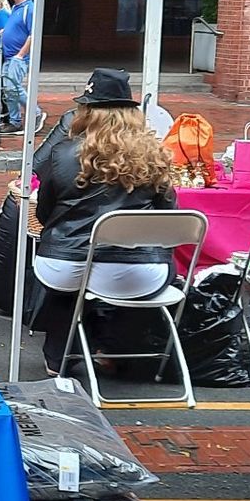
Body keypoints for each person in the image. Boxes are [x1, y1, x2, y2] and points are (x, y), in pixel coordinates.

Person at [28, 69, 177, 374]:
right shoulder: (156, 156)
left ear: (86, 113)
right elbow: (167, 215)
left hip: (65, 262)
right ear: (132, 115)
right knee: (137, 269)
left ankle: (59, 356)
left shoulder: (62, 154)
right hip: (137, 269)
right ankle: (112, 347)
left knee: (70, 284)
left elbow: (44, 215)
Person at [0, 0, 36, 132]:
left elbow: (33, 34)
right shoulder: (16, 8)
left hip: (18, 57)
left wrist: (21, 55)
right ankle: (14, 121)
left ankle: (35, 113)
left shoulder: (29, 9)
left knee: (13, 87)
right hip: (9, 56)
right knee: (8, 89)